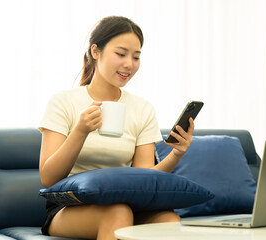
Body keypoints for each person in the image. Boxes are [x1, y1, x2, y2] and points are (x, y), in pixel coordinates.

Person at [39, 16, 195, 240]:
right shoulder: (64, 102)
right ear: (95, 51)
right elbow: (48, 178)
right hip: (69, 208)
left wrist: (176, 154)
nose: (129, 64)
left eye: (136, 57)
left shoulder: (142, 108)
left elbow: (143, 178)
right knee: (117, 213)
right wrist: (80, 131)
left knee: (169, 221)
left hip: (125, 203)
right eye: (121, 54)